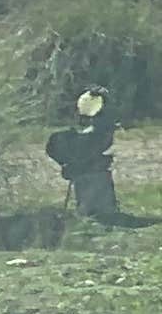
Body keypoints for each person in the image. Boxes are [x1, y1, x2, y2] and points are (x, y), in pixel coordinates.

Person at [41, 87, 118, 222]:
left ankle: (95, 209)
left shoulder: (93, 118)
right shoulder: (98, 131)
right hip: (88, 160)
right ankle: (96, 209)